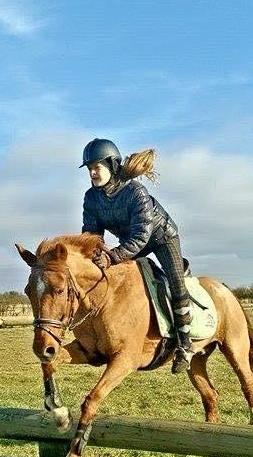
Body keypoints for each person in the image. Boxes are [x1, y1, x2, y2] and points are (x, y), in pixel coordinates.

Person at [80, 138, 194, 374]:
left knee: (176, 284)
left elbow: (142, 235)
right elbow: (91, 235)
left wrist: (113, 256)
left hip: (161, 237)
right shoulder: (91, 198)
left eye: (96, 167)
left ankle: (185, 345)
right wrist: (92, 254)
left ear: (112, 165)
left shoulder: (135, 191)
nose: (92, 172)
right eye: (89, 168)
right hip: (132, 241)